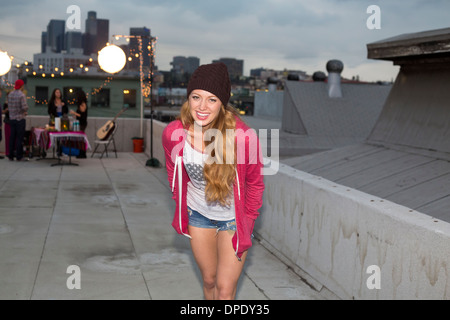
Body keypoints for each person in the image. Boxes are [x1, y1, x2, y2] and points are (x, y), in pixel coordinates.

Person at [162, 62, 265, 300]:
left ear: (222, 103)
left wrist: (247, 222)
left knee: (225, 290)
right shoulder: (173, 134)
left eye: (212, 99)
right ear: (188, 98)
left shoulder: (243, 138)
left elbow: (255, 184)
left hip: (232, 220)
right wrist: (181, 201)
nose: (202, 106)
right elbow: (173, 171)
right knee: (209, 282)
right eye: (196, 97)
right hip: (198, 216)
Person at [8, 79, 28, 161]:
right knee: (20, 138)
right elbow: (24, 107)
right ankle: (19, 156)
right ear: (21, 86)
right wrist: (26, 110)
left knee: (12, 137)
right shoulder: (22, 95)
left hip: (12, 119)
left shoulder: (10, 95)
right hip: (20, 119)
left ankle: (11, 155)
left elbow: (9, 106)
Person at [69, 91, 88, 158]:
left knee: (81, 138)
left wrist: (74, 113)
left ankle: (82, 153)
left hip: (82, 124)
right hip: (81, 123)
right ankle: (81, 152)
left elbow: (81, 115)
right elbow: (79, 115)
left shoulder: (83, 104)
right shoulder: (81, 104)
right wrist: (75, 116)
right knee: (80, 138)